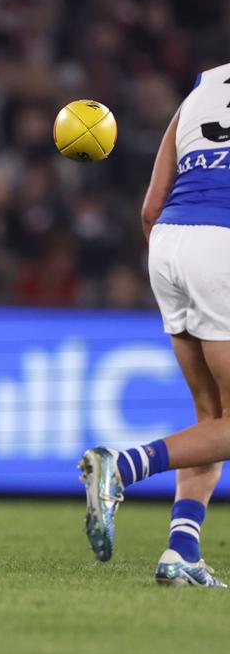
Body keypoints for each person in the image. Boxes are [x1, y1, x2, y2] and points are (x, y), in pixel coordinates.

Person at [79, 61, 230, 587]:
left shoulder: (203, 87)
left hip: (168, 242)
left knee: (212, 422)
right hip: (224, 241)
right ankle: (122, 466)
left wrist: (181, 270)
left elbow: (150, 208)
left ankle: (181, 552)